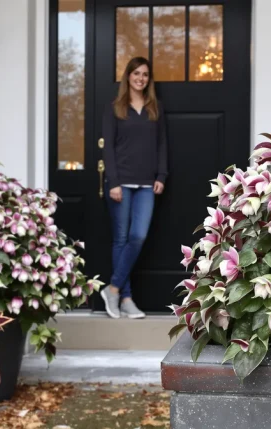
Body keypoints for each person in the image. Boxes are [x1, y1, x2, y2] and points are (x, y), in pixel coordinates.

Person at [99, 57, 168, 320]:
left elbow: (162, 144)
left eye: (145, 74)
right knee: (121, 239)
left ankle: (113, 289)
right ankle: (125, 298)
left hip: (147, 184)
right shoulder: (115, 107)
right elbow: (108, 148)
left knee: (137, 236)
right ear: (127, 76)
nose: (140, 78)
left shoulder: (155, 108)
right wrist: (113, 182)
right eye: (136, 73)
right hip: (121, 184)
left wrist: (161, 174)